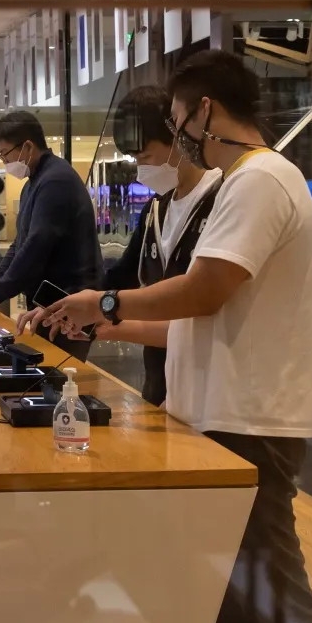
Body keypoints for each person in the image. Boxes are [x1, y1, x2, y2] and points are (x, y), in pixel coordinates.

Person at [25, 49, 312, 623]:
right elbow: (196, 320)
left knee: (284, 610)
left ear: (204, 111)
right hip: (222, 417)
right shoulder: (248, 185)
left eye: (178, 119)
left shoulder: (258, 181)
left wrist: (106, 306)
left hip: (254, 424)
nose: (175, 133)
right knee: (244, 602)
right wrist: (97, 314)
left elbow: (209, 287)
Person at [92, 85, 221, 407]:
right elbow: (122, 275)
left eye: (146, 156)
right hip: (160, 383)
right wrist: (73, 307)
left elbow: (201, 305)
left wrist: (109, 320)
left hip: (211, 392)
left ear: (178, 135)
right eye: (135, 159)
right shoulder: (157, 207)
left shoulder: (224, 197)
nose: (141, 168)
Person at [0, 108, 100, 358]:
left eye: (5, 154)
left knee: (59, 374)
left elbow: (37, 245)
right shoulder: (35, 183)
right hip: (48, 301)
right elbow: (20, 244)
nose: (5, 162)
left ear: (27, 146)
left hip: (69, 302)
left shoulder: (55, 181)